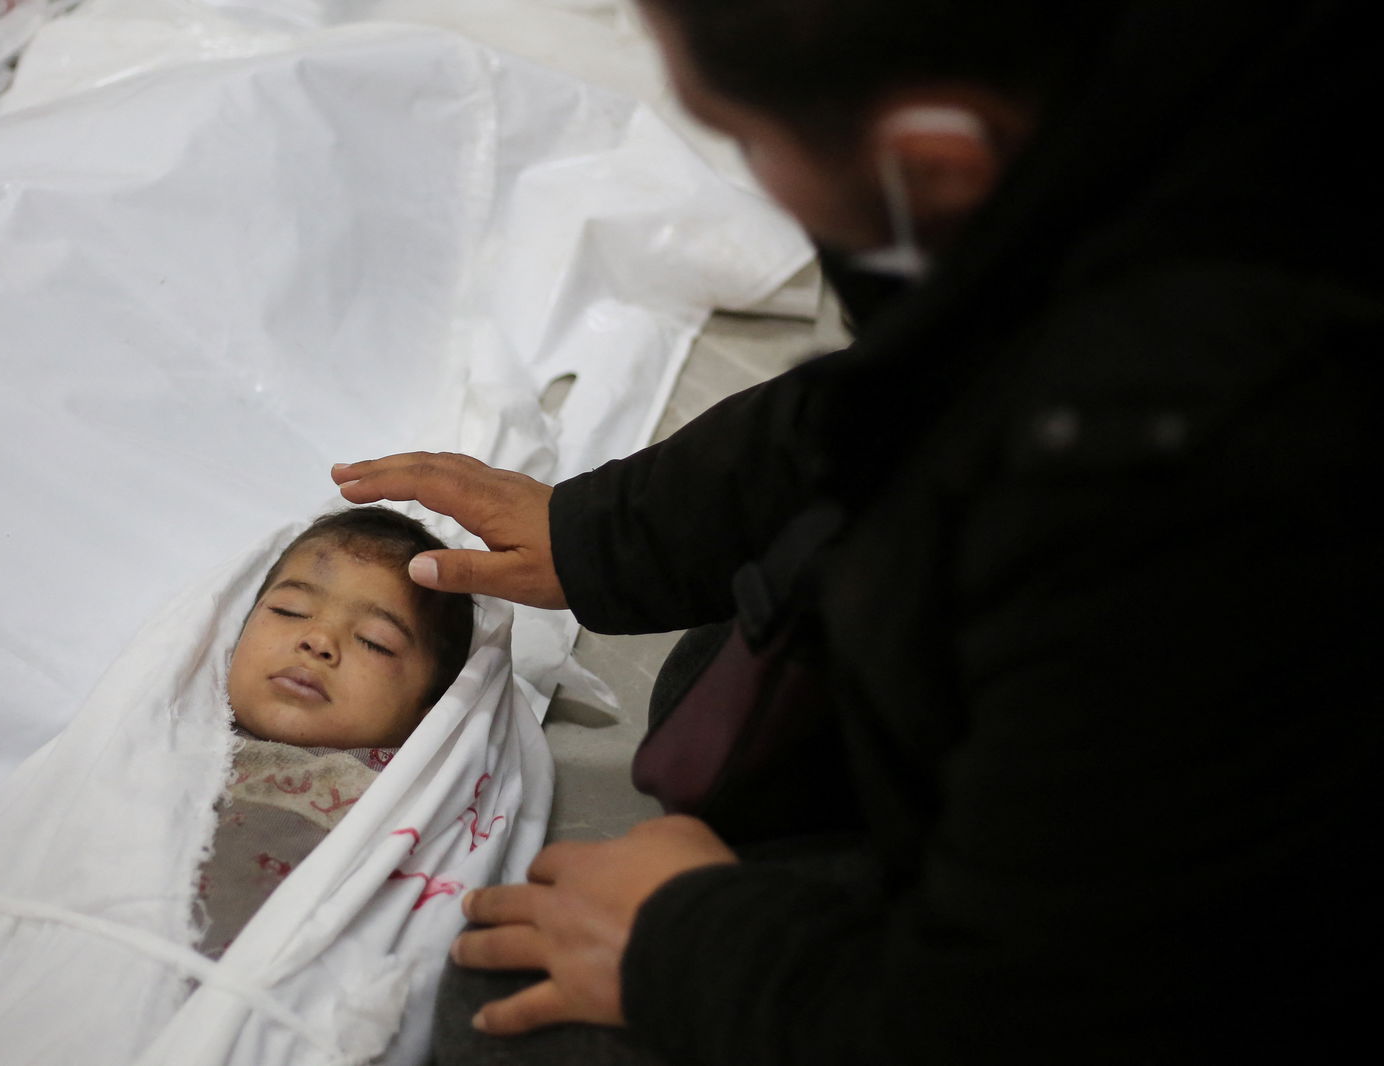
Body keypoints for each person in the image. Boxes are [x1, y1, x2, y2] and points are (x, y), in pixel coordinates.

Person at [329, 0, 1383, 1062]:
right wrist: (601, 531)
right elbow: (903, 379)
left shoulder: (1180, 493)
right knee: (739, 662)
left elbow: (1038, 1011)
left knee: (503, 1011)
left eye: (746, 139)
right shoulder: (1154, 110)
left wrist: (685, 949)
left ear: (930, 163)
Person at [198, 506, 475, 958]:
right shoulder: (172, 735)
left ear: (429, 711)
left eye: (374, 641)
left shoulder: (401, 802)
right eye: (291, 611)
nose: (319, 641)